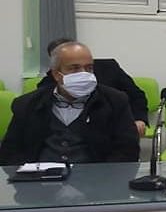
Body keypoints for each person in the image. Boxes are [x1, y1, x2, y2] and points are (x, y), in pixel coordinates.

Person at [0, 41, 140, 165]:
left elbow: (127, 150)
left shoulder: (115, 101)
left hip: (96, 180)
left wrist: (101, 179)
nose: (84, 74)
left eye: (89, 68)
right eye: (74, 68)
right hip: (39, 180)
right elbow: (10, 152)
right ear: (56, 74)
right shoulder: (27, 104)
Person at [38, 38, 150, 137]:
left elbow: (136, 96)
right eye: (73, 67)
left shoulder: (109, 69)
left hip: (110, 130)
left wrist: (139, 119)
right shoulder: (47, 85)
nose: (82, 72)